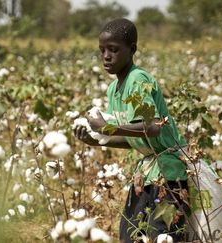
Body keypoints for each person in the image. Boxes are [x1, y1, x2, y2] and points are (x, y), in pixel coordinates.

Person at [73, 18, 190, 242]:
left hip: (169, 173)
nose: (106, 56)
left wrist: (107, 128)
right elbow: (133, 137)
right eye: (102, 51)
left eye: (114, 50)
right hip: (146, 173)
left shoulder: (138, 79)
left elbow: (153, 127)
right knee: (130, 234)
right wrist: (96, 141)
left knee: (163, 235)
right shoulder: (113, 89)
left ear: (132, 49)